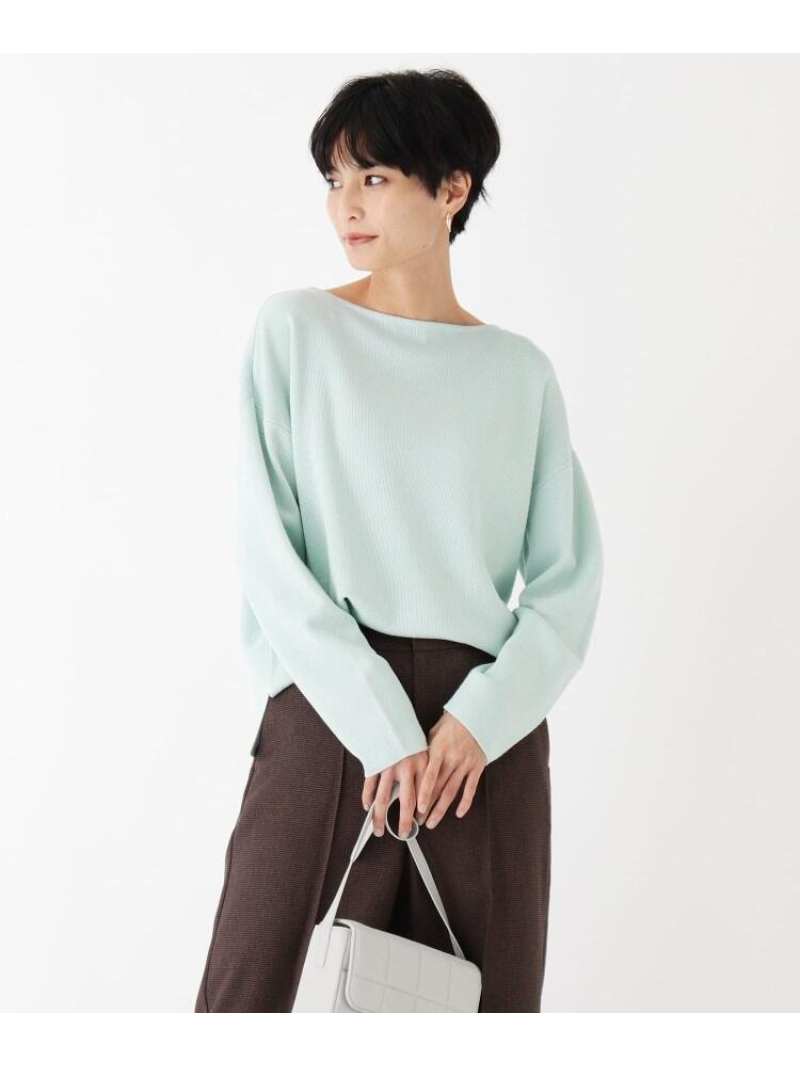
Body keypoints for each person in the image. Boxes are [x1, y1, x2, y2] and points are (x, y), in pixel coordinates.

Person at [194, 67, 604, 1013]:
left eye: (374, 177)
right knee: (245, 998)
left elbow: (568, 581)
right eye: (335, 180)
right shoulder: (298, 331)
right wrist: (377, 721)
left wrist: (480, 722)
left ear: (452, 187)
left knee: (486, 1011)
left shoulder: (519, 374)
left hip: (479, 738)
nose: (346, 206)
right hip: (328, 707)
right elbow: (269, 553)